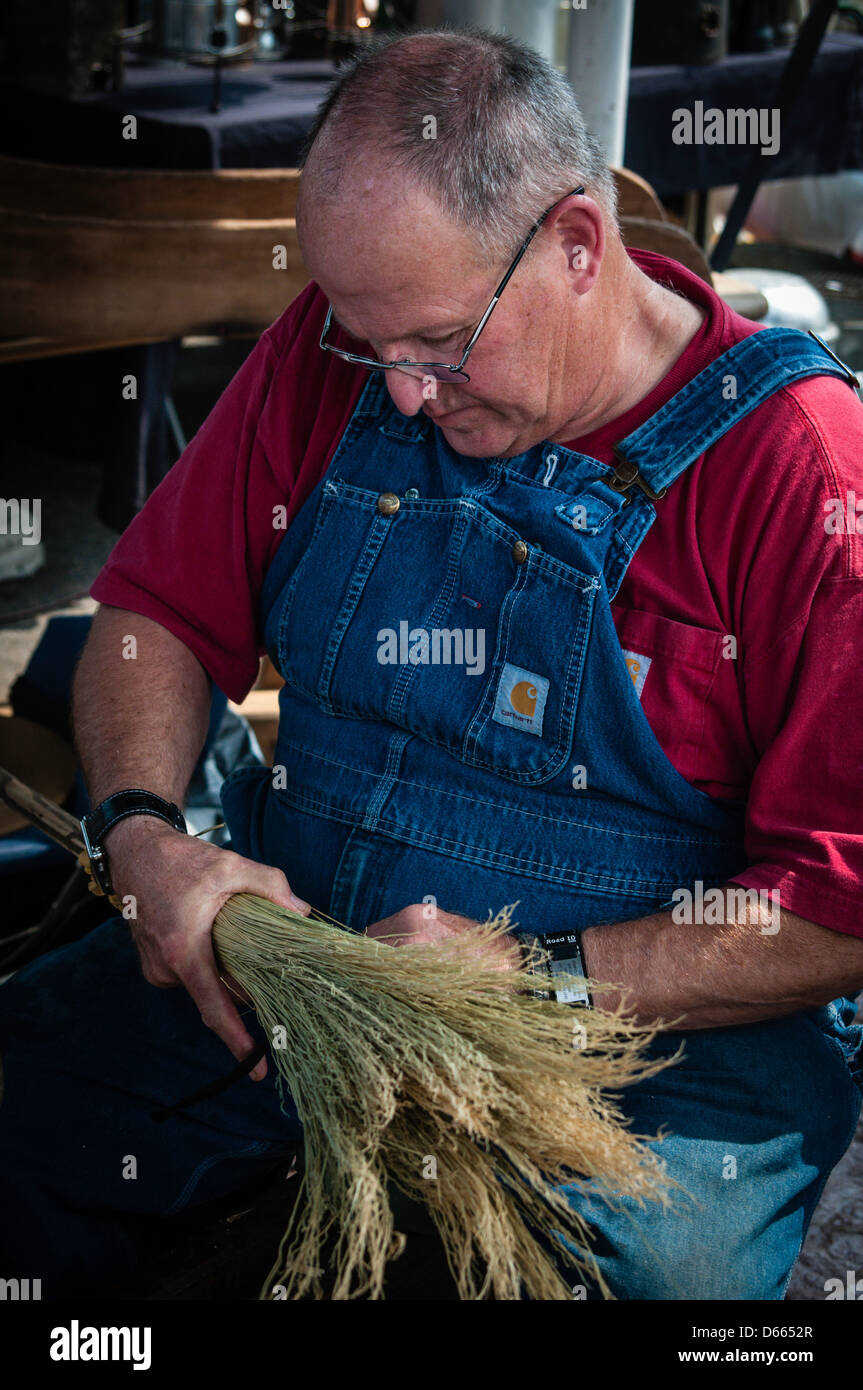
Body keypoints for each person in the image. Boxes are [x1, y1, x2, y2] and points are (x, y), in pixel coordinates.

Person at [2, 28, 863, 1301]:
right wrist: (144, 833)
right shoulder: (330, 350)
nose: (400, 394)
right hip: (291, 963)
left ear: (576, 245)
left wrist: (538, 975)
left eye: (442, 344)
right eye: (368, 345)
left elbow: (836, 903)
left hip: (645, 1051)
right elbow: (148, 612)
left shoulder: (805, 472)